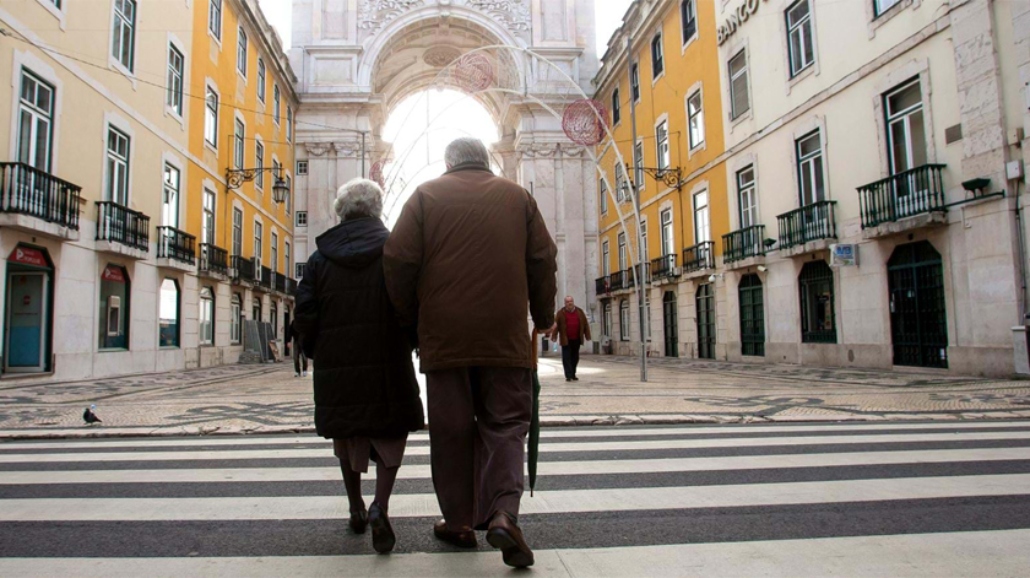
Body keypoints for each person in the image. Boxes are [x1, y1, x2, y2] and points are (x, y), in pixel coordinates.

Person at [384, 137, 557, 568]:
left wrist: (411, 322)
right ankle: (502, 512)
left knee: (451, 429)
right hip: (505, 335)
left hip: (444, 336)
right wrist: (544, 314)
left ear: (449, 163)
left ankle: (459, 522)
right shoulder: (518, 197)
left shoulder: (425, 195)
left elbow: (398, 260)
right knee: (506, 424)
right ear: (487, 161)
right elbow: (543, 258)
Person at [294, 178, 424, 555]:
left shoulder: (319, 259)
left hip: (338, 361)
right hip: (388, 357)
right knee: (389, 432)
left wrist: (315, 348)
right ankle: (380, 505)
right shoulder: (395, 252)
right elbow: (409, 301)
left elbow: (305, 311)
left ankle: (355, 506)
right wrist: (411, 339)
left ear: (341, 211)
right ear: (377, 209)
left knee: (347, 432)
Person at [551, 296, 591, 381]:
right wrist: (554, 336)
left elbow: (585, 324)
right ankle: (568, 375)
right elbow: (556, 325)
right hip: (565, 339)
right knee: (566, 357)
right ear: (565, 303)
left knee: (575, 357)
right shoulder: (560, 313)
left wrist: (587, 335)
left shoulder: (579, 311)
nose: (570, 303)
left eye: (571, 301)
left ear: (573, 302)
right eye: (568, 302)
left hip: (576, 338)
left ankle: (573, 373)